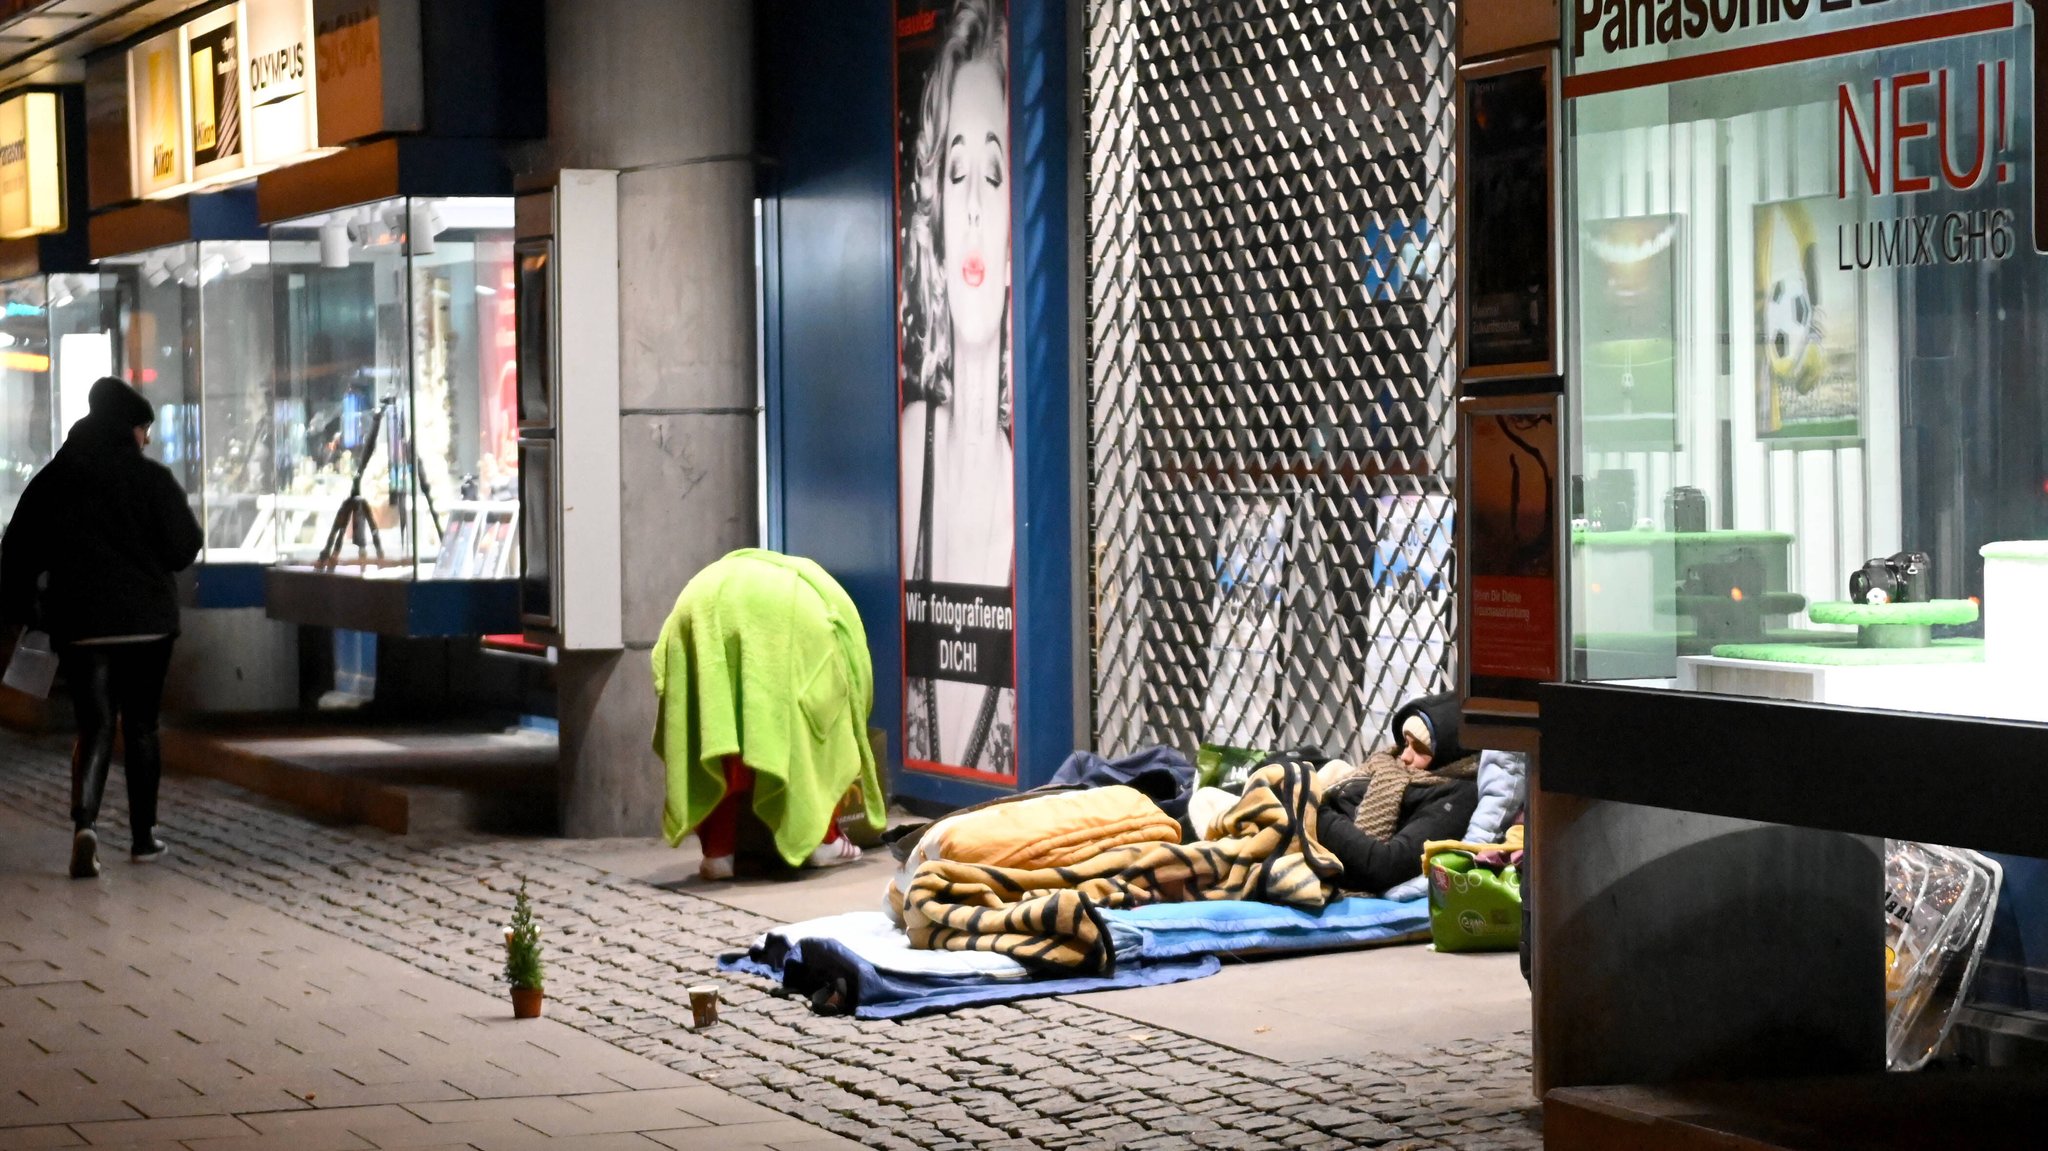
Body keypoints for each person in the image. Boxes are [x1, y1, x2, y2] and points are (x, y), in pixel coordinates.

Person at [0, 377, 202, 878]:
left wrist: (29, 610)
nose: (147, 439)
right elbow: (183, 547)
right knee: (141, 727)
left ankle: (84, 826)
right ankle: (142, 838)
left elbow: (17, 552)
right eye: (143, 428)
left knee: (92, 725)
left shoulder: (54, 479)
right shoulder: (152, 480)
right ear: (129, 428)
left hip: (82, 626)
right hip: (148, 627)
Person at [899, 0, 1016, 774]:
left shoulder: (1033, 478)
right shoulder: (913, 444)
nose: (974, 204)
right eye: (958, 170)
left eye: (996, 174)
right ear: (933, 220)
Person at [1315, 693, 1480, 894]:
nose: (1404, 756)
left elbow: (1384, 865)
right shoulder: (1385, 763)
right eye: (1405, 743)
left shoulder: (1454, 795)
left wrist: (1314, 810)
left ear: (1448, 755)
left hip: (1328, 846)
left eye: (1420, 749)